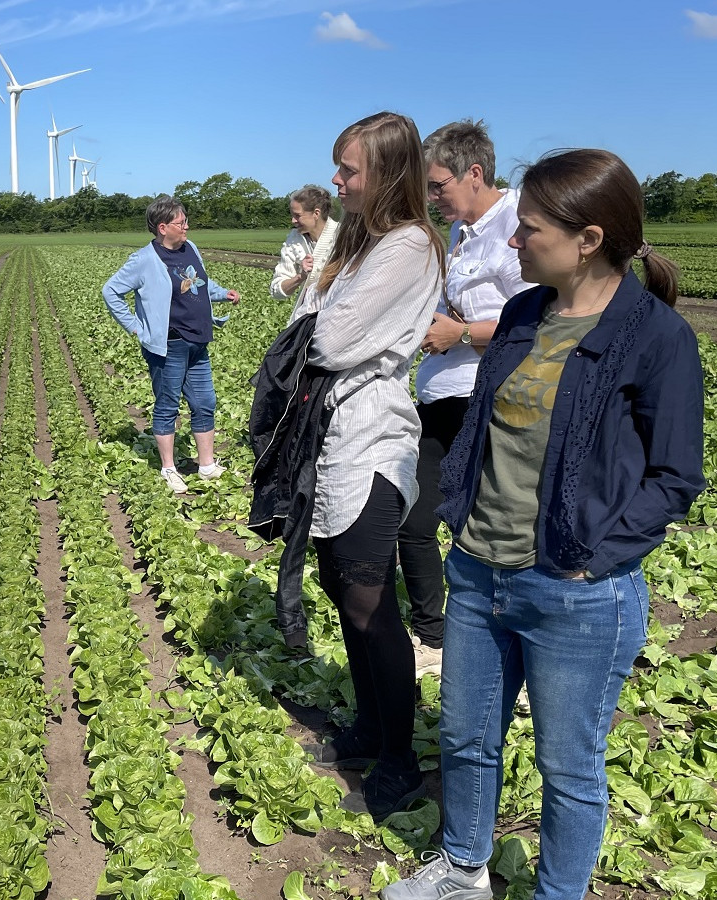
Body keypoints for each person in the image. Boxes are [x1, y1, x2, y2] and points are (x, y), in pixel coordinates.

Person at [385, 149, 705, 900]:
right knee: (466, 737)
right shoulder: (527, 314)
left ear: (588, 239)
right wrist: (460, 510)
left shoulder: (654, 337)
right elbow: (485, 427)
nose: (512, 242)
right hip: (477, 571)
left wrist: (594, 560)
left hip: (574, 592)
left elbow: (674, 476)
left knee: (569, 767)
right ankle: (464, 869)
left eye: (527, 230)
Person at [288, 112, 443, 818]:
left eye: (348, 170)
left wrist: (311, 325)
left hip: (373, 437)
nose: (337, 180)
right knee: (336, 583)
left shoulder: (408, 246)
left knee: (369, 600)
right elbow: (306, 324)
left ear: (386, 174)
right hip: (333, 435)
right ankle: (372, 726)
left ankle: (401, 759)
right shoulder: (360, 242)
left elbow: (332, 338)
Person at [399, 120, 534, 678]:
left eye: (439, 186)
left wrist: (463, 334)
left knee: (494, 532)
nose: (433, 198)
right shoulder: (462, 230)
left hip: (495, 402)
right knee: (414, 518)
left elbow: (539, 319)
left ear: (474, 173)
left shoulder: (521, 222)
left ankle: (519, 655)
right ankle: (434, 636)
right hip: (441, 396)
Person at [101, 195, 241, 493]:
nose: (187, 226)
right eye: (181, 222)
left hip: (198, 340)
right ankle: (169, 468)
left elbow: (197, 283)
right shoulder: (144, 260)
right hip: (169, 345)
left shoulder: (190, 249)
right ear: (163, 227)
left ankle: (206, 465)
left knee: (205, 403)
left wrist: (222, 293)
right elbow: (111, 291)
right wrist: (135, 327)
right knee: (167, 406)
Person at [270, 185, 340, 300]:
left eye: (297, 216)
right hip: (306, 311)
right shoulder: (294, 239)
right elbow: (276, 291)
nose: (293, 221)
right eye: (292, 215)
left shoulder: (341, 236)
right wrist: (301, 277)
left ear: (316, 213)